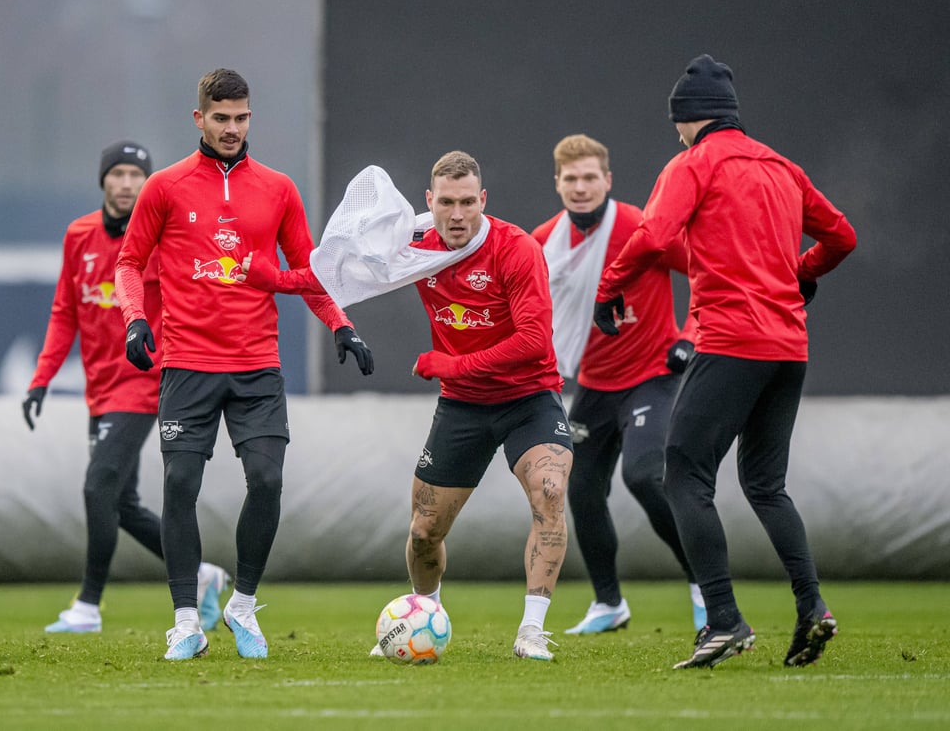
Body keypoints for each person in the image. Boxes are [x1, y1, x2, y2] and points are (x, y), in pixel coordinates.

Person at [240, 151, 573, 661]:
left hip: (529, 397)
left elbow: (534, 341)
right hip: (464, 405)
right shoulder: (413, 243)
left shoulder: (516, 249)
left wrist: (453, 364)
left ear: (483, 200)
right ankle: (423, 615)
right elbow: (340, 273)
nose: (457, 215)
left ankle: (531, 631)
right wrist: (275, 281)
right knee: (423, 532)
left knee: (550, 491)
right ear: (429, 202)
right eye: (447, 203)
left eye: (468, 203)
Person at [595, 54, 856, 669]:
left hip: (731, 341)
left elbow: (655, 236)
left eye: (676, 123)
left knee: (683, 475)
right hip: (789, 348)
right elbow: (842, 236)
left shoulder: (692, 164)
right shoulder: (782, 167)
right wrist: (801, 271)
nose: (676, 134)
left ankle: (724, 619)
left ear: (689, 119)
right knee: (766, 485)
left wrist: (610, 287)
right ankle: (812, 606)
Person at [114, 69, 374, 661]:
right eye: (221, 118)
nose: (232, 128)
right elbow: (129, 263)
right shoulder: (164, 186)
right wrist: (135, 318)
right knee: (180, 484)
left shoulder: (278, 189)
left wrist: (341, 324)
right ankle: (186, 621)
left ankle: (243, 604)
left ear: (250, 117)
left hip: (257, 365)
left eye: (241, 118)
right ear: (200, 118)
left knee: (268, 480)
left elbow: (308, 270)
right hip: (188, 363)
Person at [23, 140, 229, 635]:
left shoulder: (160, 237)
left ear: (147, 183)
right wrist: (41, 378)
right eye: (117, 173)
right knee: (120, 503)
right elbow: (64, 312)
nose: (126, 183)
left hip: (143, 382)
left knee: (98, 486)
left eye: (136, 175)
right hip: (100, 388)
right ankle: (201, 573)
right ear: (103, 180)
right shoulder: (79, 235)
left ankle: (87, 606)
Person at [531, 134, 705, 635]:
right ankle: (609, 604)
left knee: (645, 476)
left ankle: (704, 584)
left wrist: (689, 337)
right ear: (557, 183)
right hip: (593, 385)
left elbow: (706, 274)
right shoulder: (543, 240)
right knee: (578, 489)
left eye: (590, 177)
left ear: (607, 180)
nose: (581, 187)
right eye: (571, 178)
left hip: (652, 376)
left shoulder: (639, 225)